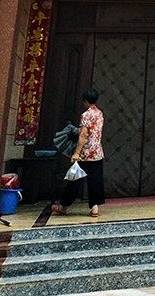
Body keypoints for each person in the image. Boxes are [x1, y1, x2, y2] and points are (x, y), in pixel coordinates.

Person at [51, 87, 105, 217]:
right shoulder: (100, 113)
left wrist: (76, 153)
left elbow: (83, 134)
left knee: (75, 180)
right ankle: (95, 208)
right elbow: (93, 131)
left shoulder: (85, 115)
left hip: (85, 154)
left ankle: (63, 207)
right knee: (95, 181)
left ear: (85, 101)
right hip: (97, 153)